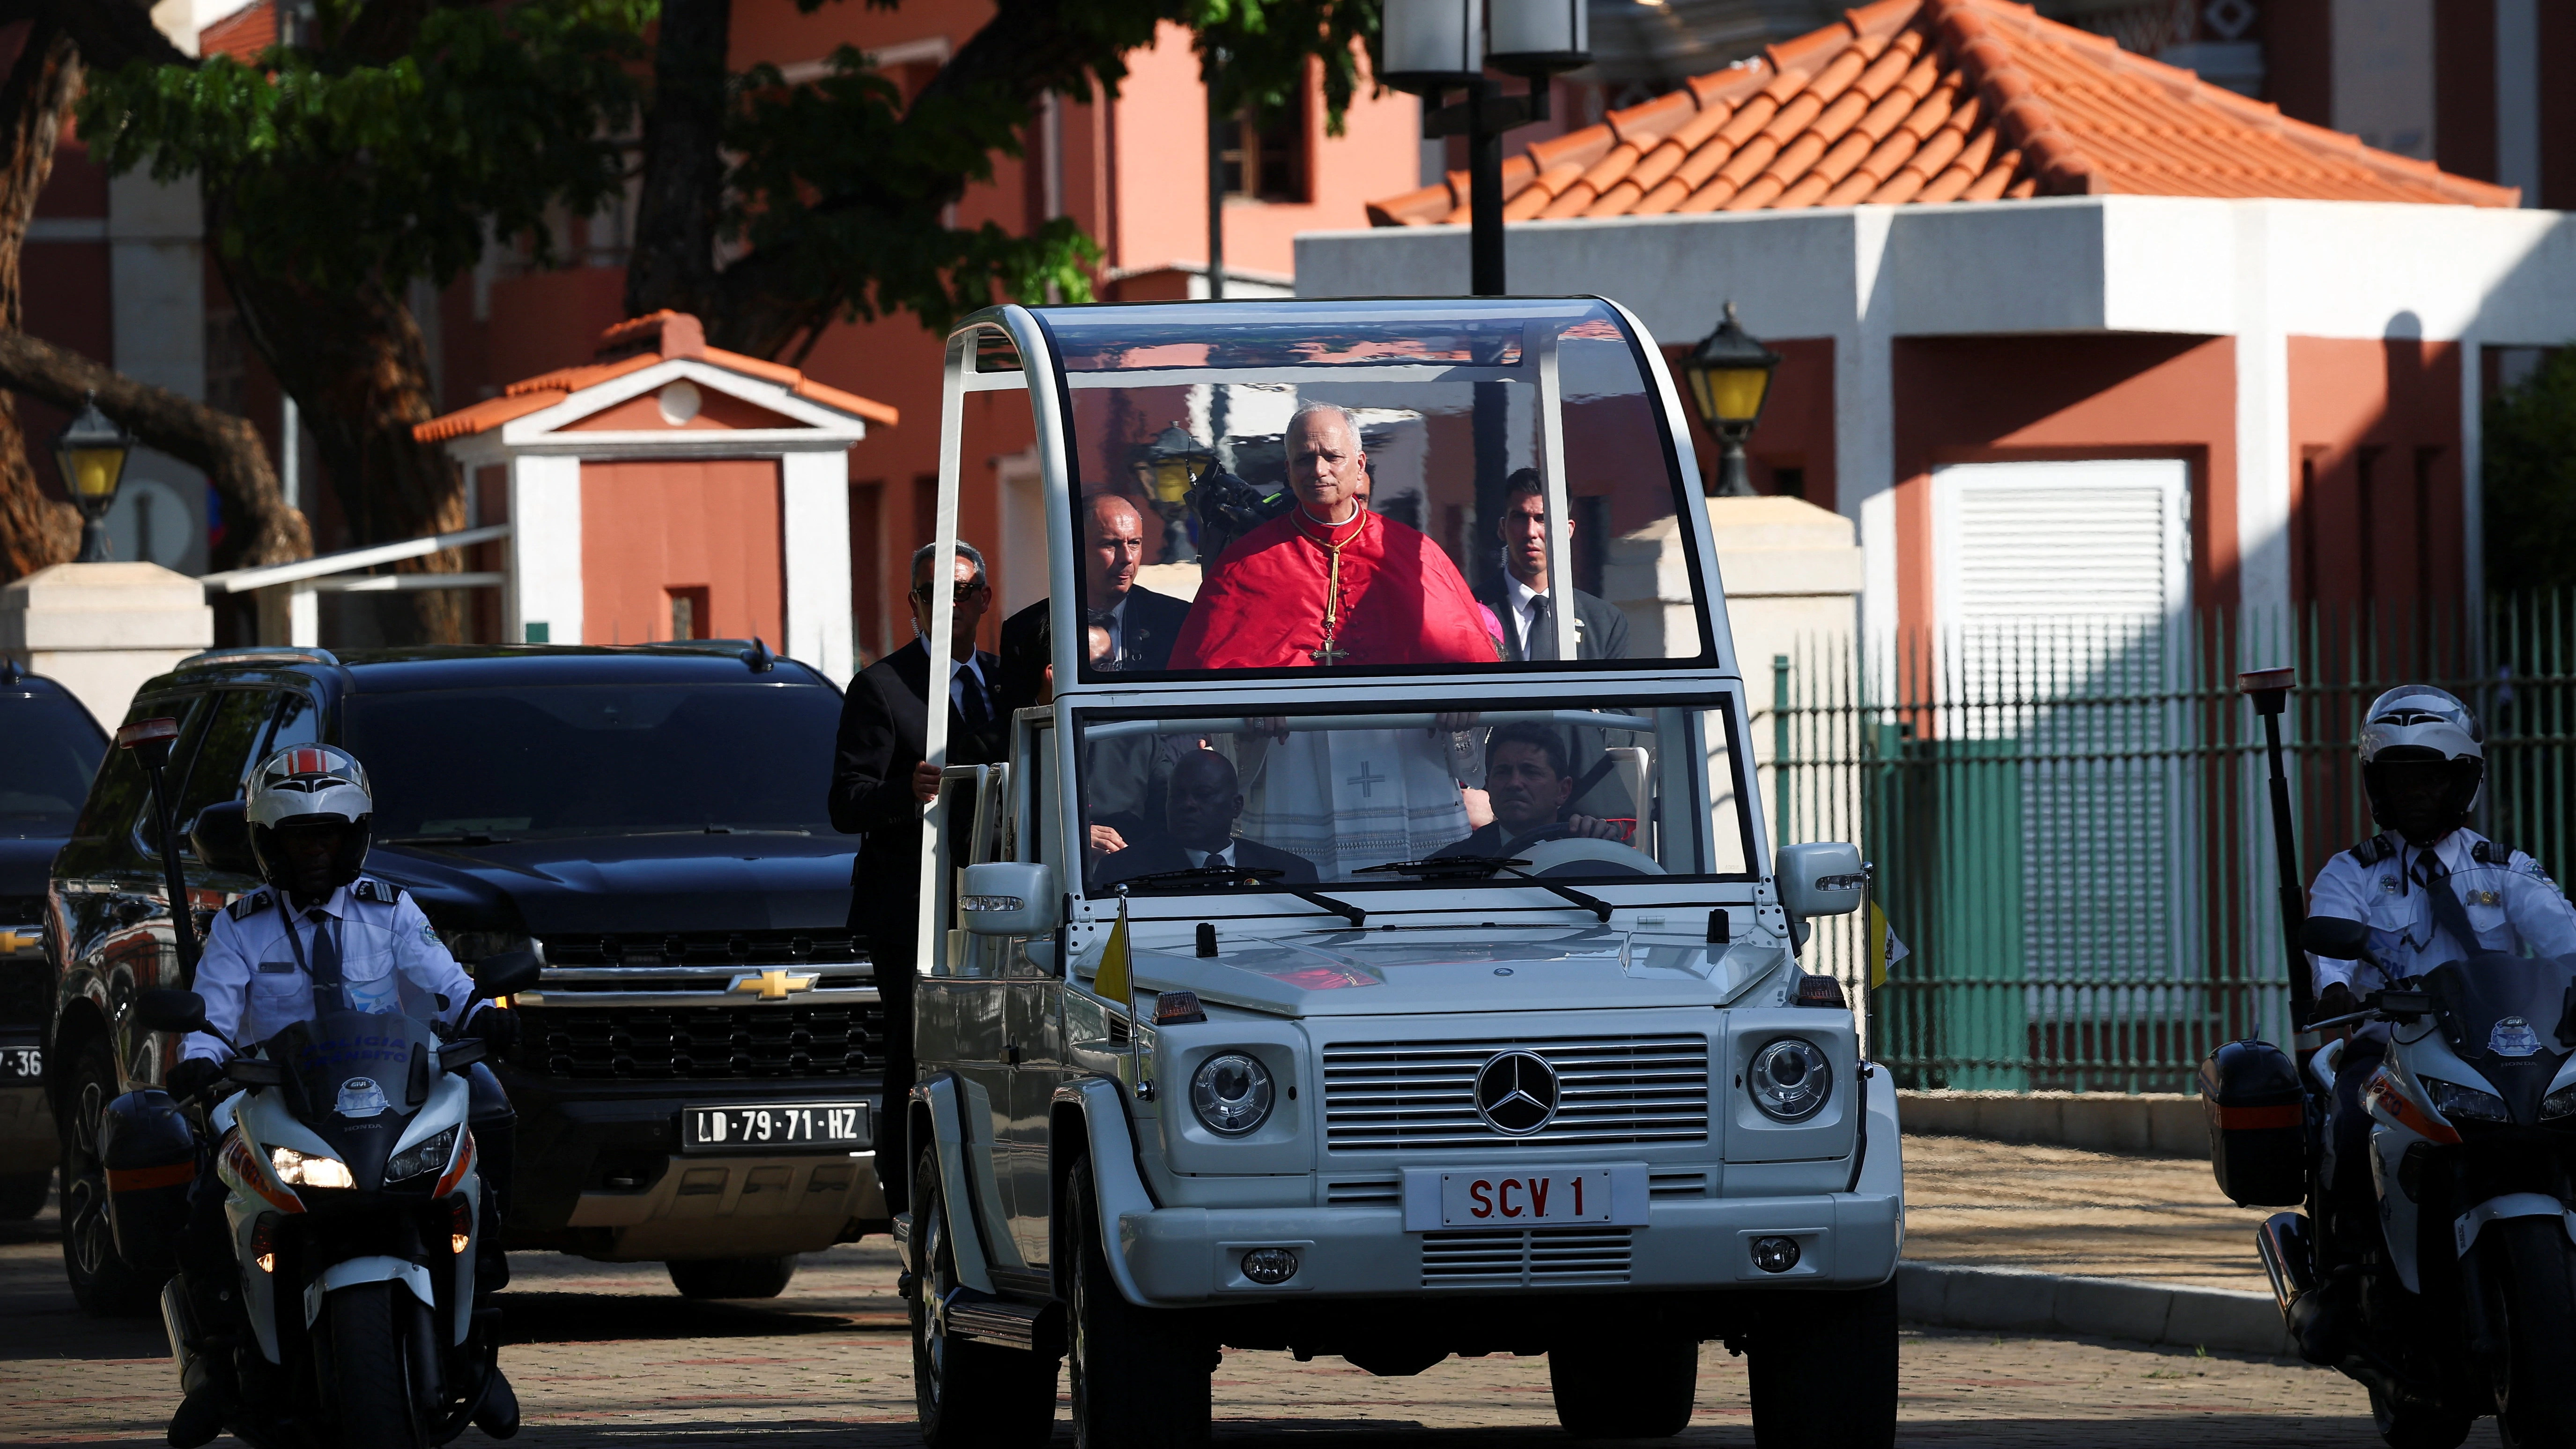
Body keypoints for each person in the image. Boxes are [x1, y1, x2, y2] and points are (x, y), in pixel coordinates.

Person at [163, 745, 521, 1447]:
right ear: (270, 843)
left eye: (328, 833)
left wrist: (483, 1016)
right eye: (300, 837)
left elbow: (446, 986)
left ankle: (475, 1332)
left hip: (384, 1095)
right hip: (279, 1102)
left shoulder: (390, 910)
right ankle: (215, 1363)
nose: (317, 850)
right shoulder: (241, 926)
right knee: (208, 1192)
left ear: (353, 835)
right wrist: (197, 1062)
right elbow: (210, 1017)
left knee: (484, 1121)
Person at [2301, 686, 2576, 1335]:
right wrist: (2337, 986)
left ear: (2464, 780)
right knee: (2345, 1118)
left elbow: (2564, 937)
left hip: (2502, 1041)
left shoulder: (2506, 868)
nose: (2415, 791)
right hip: (2391, 1041)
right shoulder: (2352, 872)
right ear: (2377, 785)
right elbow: (2331, 940)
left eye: (2430, 775)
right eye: (2400, 778)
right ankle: (2344, 1280)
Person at [829, 541, 1008, 1216]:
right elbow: (846, 801)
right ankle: (907, 1199)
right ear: (913, 604)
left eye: (962, 591)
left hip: (996, 902)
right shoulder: (882, 686)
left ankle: (983, 1194)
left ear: (984, 599)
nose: (950, 605)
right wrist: (905, 793)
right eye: (934, 592)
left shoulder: (1003, 681)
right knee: (917, 1050)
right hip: (911, 906)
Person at [1169, 403, 1498, 669]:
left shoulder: (1416, 552)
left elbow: (1467, 658)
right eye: (1305, 459)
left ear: (1360, 465)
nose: (1318, 470)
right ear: (1288, 470)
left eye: (1332, 457)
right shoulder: (1246, 560)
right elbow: (1202, 672)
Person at [997, 493, 1193, 711]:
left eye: (1135, 543)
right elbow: (1015, 723)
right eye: (1111, 544)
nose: (1127, 557)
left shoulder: (1178, 620)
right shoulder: (1026, 631)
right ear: (1075, 548)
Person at [1096, 749, 1318, 886]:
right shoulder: (1124, 873)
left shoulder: (1291, 875)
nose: (1188, 804)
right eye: (1177, 796)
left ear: (1236, 806)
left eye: (1203, 795)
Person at [1479, 468, 1631, 663]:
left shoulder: (1605, 623)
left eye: (1543, 519)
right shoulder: (1471, 613)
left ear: (1569, 530)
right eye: (1520, 517)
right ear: (1502, 528)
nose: (1531, 532)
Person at [1433, 723, 1629, 859]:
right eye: (1503, 772)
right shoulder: (1451, 866)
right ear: (1489, 785)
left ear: (1563, 790)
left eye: (1531, 772)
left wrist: (1601, 845)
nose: (1515, 783)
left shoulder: (1593, 851)